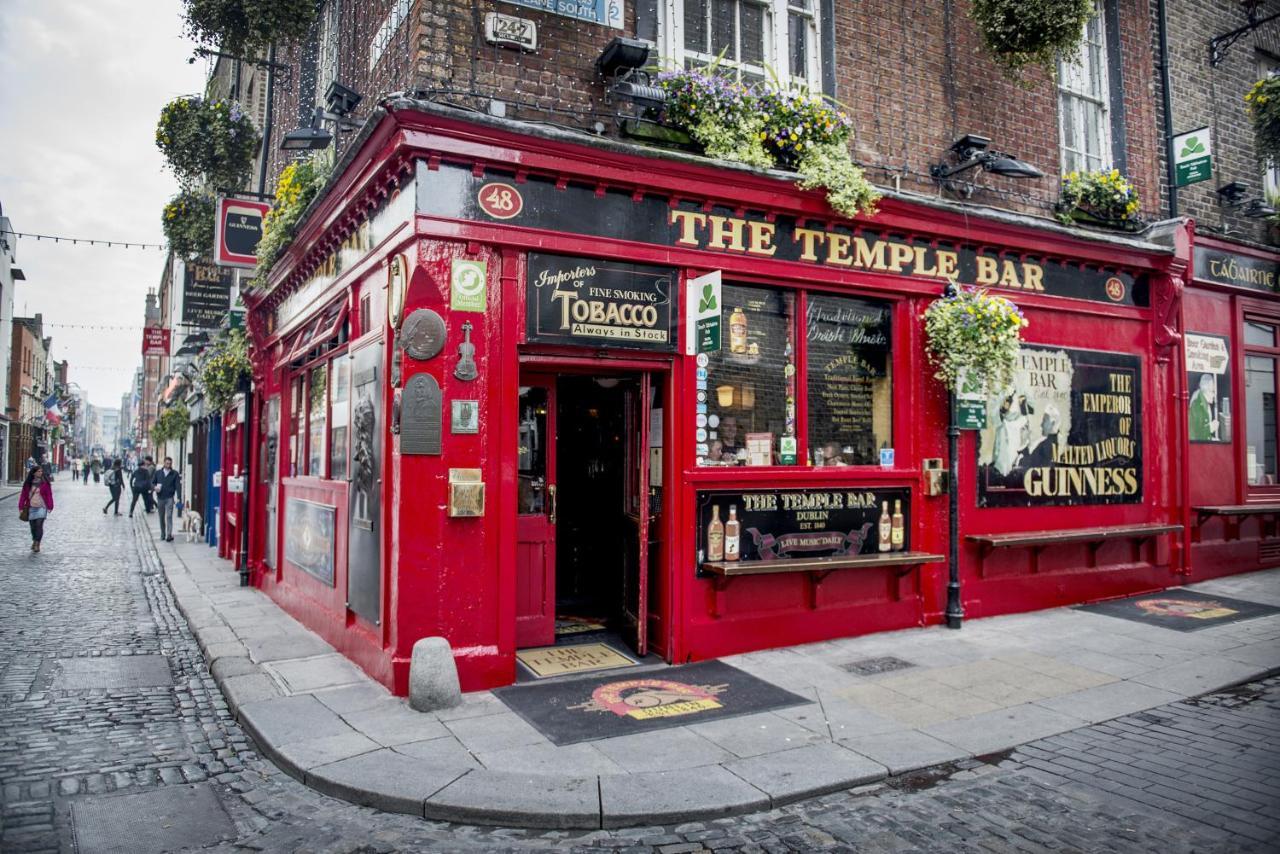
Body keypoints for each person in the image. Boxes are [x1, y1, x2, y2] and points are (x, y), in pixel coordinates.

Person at [18, 464, 54, 553]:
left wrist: (50, 506)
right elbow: (23, 495)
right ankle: (34, 540)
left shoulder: (45, 482)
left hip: (42, 507)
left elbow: (49, 495)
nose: (41, 473)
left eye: (41, 471)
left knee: (39, 525)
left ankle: (37, 543)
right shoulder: (28, 483)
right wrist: (21, 506)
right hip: (31, 507)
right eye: (39, 471)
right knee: (33, 527)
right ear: (34, 473)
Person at [153, 456, 181, 542]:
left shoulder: (174, 474)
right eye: (167, 463)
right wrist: (155, 487)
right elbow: (153, 482)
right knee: (161, 516)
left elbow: (178, 486)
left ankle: (169, 534)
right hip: (160, 497)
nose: (168, 465)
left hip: (169, 497)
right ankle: (163, 534)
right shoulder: (158, 473)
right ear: (164, 463)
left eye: (170, 463)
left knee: (169, 516)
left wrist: (179, 497)